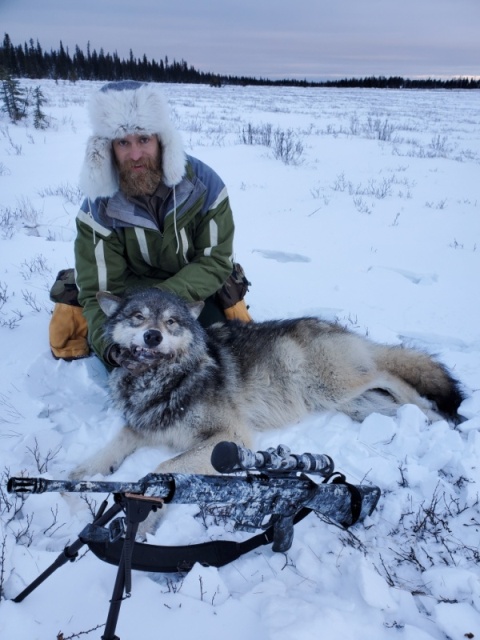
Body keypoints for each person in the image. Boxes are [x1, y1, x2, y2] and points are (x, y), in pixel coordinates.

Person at [49, 81, 251, 366]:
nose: (134, 154)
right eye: (123, 143)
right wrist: (111, 350)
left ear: (161, 139)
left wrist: (161, 300)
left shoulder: (204, 187)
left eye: (143, 139)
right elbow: (98, 292)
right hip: (131, 301)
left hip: (189, 291)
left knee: (212, 350)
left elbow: (215, 261)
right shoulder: (97, 211)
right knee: (134, 366)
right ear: (108, 148)